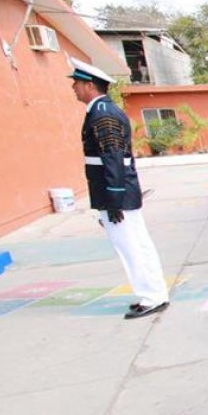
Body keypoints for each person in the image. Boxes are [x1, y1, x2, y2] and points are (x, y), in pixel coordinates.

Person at [68, 58, 170, 319]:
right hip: (117, 190)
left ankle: (151, 296)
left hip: (116, 192)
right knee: (136, 244)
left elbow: (112, 156)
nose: (74, 89)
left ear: (90, 85)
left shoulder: (103, 114)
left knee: (131, 246)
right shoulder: (102, 111)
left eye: (77, 84)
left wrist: (114, 198)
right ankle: (153, 293)